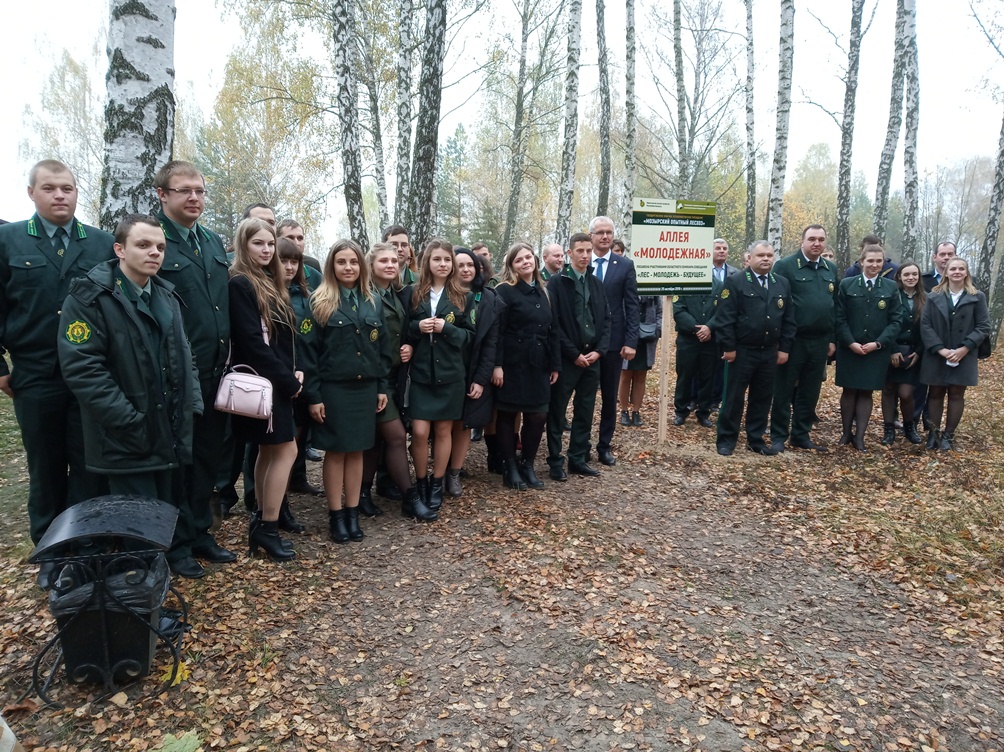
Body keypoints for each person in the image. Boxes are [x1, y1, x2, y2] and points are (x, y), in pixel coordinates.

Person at [0, 160, 112, 568]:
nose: (60, 195)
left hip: (90, 373)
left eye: (67, 188)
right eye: (49, 188)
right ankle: (49, 549)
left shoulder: (100, 243)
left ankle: (84, 542)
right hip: (34, 372)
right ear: (31, 193)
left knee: (87, 462)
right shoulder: (9, 240)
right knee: (45, 465)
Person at [58, 214, 199, 509]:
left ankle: (177, 554)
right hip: (125, 433)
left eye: (160, 247)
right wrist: (128, 420)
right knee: (138, 517)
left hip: (169, 425)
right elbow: (83, 369)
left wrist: (192, 405)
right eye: (144, 244)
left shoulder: (166, 296)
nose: (154, 253)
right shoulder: (91, 297)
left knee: (172, 507)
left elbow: (186, 354)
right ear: (120, 249)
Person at [154, 160, 236, 578]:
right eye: (184, 190)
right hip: (175, 375)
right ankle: (175, 544)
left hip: (216, 369)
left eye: (200, 191)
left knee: (208, 455)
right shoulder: (154, 240)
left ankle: (201, 531)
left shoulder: (211, 241)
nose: (194, 198)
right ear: (163, 195)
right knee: (179, 461)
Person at [302, 240, 392, 541]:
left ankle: (353, 513)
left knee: (357, 452)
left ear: (361, 265)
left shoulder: (372, 300)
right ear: (332, 266)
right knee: (336, 453)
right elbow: (309, 354)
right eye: (341, 262)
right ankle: (336, 515)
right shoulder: (319, 300)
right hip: (334, 390)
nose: (348, 267)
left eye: (353, 262)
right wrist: (313, 396)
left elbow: (382, 350)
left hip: (365, 388)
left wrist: (381, 387)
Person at [228, 218, 302, 561]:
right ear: (244, 245)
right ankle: (267, 527)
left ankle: (261, 520)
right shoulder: (242, 283)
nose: (267, 250)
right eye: (258, 243)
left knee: (270, 452)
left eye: (270, 244)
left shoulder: (268, 281)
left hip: (276, 379)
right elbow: (253, 344)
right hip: (267, 384)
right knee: (285, 452)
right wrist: (287, 382)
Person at [362, 243, 436, 521]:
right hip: (372, 379)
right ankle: (411, 498)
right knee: (394, 435)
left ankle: (362, 495)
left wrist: (409, 345)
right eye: (384, 261)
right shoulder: (366, 296)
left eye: (394, 260)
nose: (391, 265)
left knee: (376, 440)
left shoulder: (396, 295)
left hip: (394, 376)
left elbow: (403, 330)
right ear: (371, 264)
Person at [406, 239, 475, 511]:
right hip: (422, 373)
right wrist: (417, 326)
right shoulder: (414, 293)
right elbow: (405, 331)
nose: (443, 264)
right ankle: (421, 481)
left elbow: (469, 336)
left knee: (444, 430)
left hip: (450, 374)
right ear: (428, 262)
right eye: (437, 259)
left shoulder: (463, 296)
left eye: (447, 260)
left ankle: (437, 483)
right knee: (421, 432)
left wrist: (446, 329)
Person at [715, 241, 795, 457]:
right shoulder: (735, 282)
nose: (766, 259)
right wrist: (729, 347)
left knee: (762, 397)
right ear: (749, 258)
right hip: (742, 351)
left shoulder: (782, 283)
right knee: (733, 398)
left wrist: (784, 348)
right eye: (760, 255)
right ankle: (726, 440)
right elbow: (725, 319)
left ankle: (755, 439)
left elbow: (788, 320)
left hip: (769, 351)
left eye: (769, 255)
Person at [492, 242, 560, 490]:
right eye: (519, 259)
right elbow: (496, 332)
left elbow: (553, 331)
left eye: (528, 257)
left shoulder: (545, 291)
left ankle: (527, 464)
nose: (525, 262)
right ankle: (510, 467)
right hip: (512, 362)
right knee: (508, 415)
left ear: (535, 260)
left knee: (538, 415)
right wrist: (496, 365)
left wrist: (555, 364)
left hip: (539, 362)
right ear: (511, 265)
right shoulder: (504, 291)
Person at [546, 233, 611, 479]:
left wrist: (599, 351)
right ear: (569, 253)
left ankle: (577, 457)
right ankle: (555, 460)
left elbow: (605, 321)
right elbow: (555, 324)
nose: (585, 255)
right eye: (580, 251)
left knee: (585, 409)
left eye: (588, 251)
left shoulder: (596, 284)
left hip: (592, 357)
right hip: (567, 359)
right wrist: (573, 354)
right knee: (557, 410)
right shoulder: (557, 283)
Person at [769, 224, 838, 453]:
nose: (816, 243)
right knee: (784, 389)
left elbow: (833, 306)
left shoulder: (830, 268)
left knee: (810, 391)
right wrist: (780, 341)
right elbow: (776, 304)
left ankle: (801, 434)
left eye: (820, 239)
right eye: (812, 239)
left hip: (820, 341)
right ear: (802, 242)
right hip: (793, 340)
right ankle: (778, 435)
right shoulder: (786, 266)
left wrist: (832, 339)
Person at [833, 244, 903, 452]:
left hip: (876, 350)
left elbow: (896, 321)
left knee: (866, 393)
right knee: (849, 390)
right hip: (850, 348)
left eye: (878, 261)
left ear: (883, 264)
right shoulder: (847, 284)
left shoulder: (890, 288)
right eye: (870, 261)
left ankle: (860, 436)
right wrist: (850, 342)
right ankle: (846, 433)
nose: (874, 265)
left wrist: (878, 343)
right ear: (861, 261)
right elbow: (839, 317)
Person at [919, 257, 990, 451]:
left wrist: (964, 348)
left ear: (966, 273)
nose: (957, 272)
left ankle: (948, 436)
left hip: (964, 353)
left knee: (957, 394)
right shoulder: (933, 296)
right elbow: (925, 325)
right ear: (946, 272)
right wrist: (940, 349)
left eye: (961, 269)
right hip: (937, 353)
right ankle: (933, 434)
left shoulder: (977, 296)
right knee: (935, 393)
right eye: (953, 269)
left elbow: (984, 326)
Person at [447, 247, 501, 495]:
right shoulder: (440, 295)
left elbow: (492, 343)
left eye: (471, 265)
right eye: (460, 265)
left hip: (475, 368)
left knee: (464, 424)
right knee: (443, 424)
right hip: (446, 369)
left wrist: (481, 379)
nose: (466, 269)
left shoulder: (489, 298)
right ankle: (439, 470)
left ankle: (454, 473)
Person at [589, 215, 639, 466]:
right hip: (583, 344)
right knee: (584, 397)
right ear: (591, 237)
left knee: (609, 397)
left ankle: (604, 446)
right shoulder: (579, 263)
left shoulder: (624, 265)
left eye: (609, 232)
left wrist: (631, 341)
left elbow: (632, 306)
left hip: (613, 343)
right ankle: (580, 445)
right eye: (600, 232)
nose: (605, 236)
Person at [278, 238, 322, 514]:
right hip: (280, 380)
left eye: (294, 261)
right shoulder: (266, 293)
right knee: (280, 447)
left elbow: (312, 339)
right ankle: (273, 506)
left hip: (307, 376)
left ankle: (292, 488)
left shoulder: (305, 295)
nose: (290, 267)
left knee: (298, 439)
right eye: (283, 261)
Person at [880, 261, 926, 446]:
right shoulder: (892, 295)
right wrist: (892, 350)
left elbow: (929, 328)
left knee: (906, 393)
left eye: (914, 274)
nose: (911, 277)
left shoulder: (926, 298)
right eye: (906, 274)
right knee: (889, 390)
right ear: (899, 277)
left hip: (913, 352)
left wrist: (919, 352)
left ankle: (909, 427)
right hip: (891, 349)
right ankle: (888, 429)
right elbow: (885, 323)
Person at [672, 274, 719, 427]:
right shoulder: (683, 283)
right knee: (684, 375)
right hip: (688, 340)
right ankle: (681, 411)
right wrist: (696, 329)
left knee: (708, 377)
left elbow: (724, 310)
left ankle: (704, 412)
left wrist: (709, 327)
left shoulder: (719, 285)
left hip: (711, 340)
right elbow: (679, 310)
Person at [620, 295, 662, 427]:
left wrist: (657, 330)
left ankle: (636, 411)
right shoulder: (626, 285)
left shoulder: (653, 291)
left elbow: (660, 312)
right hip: (628, 336)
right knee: (626, 375)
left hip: (647, 338)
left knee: (641, 376)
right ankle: (624, 410)